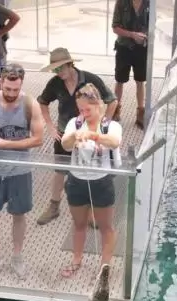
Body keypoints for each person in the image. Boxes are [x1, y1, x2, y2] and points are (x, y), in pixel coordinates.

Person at [0, 63, 45, 278]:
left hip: (20, 171)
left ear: (21, 85)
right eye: (7, 89)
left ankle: (17, 256)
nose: (11, 93)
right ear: (1, 84)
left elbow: (38, 139)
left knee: (19, 214)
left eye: (15, 90)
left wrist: (5, 144)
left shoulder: (30, 104)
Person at [34, 47, 118, 227]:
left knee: (92, 170)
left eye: (60, 68)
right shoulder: (55, 83)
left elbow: (112, 100)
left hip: (89, 131)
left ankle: (93, 210)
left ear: (70, 64)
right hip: (66, 131)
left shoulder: (90, 79)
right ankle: (54, 206)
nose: (58, 72)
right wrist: (49, 126)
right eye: (55, 69)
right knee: (59, 170)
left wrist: (104, 123)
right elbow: (43, 102)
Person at [58, 83, 124, 278]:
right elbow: (65, 145)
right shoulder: (75, 123)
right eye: (81, 109)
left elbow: (114, 141)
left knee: (106, 226)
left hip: (101, 181)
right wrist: (74, 136)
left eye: (88, 109)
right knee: (78, 223)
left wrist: (94, 135)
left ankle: (105, 266)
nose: (84, 113)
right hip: (76, 181)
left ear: (99, 106)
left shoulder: (111, 126)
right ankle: (76, 260)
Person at [110, 0, 150, 129]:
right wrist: (132, 35)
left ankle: (140, 112)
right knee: (119, 80)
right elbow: (115, 27)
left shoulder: (149, 3)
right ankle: (116, 108)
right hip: (123, 47)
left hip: (141, 48)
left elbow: (153, 26)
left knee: (140, 81)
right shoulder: (121, 3)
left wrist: (144, 36)